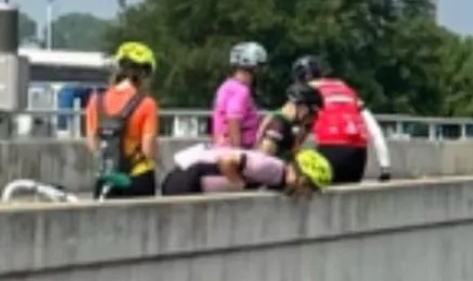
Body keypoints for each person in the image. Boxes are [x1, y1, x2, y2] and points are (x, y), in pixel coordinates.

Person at [297, 54, 392, 183]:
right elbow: (374, 129)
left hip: (330, 150)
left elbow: (301, 128)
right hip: (358, 156)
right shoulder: (345, 88)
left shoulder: (308, 91)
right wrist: (384, 167)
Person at [83, 42, 162, 198]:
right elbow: (148, 150)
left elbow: (92, 142)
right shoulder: (147, 104)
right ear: (144, 74)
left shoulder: (96, 100)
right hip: (137, 177)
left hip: (107, 177)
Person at [159, 143, 331, 197]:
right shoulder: (273, 169)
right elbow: (226, 161)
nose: (308, 194)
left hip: (191, 180)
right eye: (311, 188)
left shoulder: (278, 176)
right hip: (188, 179)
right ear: (302, 178)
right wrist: (241, 188)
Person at [211, 42, 268, 149]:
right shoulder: (241, 91)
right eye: (260, 66)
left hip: (221, 146)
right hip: (236, 150)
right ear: (254, 67)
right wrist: (237, 151)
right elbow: (233, 120)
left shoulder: (226, 86)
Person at [254, 80, 325, 159]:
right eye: (311, 113)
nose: (312, 118)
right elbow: (265, 157)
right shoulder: (278, 124)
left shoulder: (285, 123)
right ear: (302, 106)